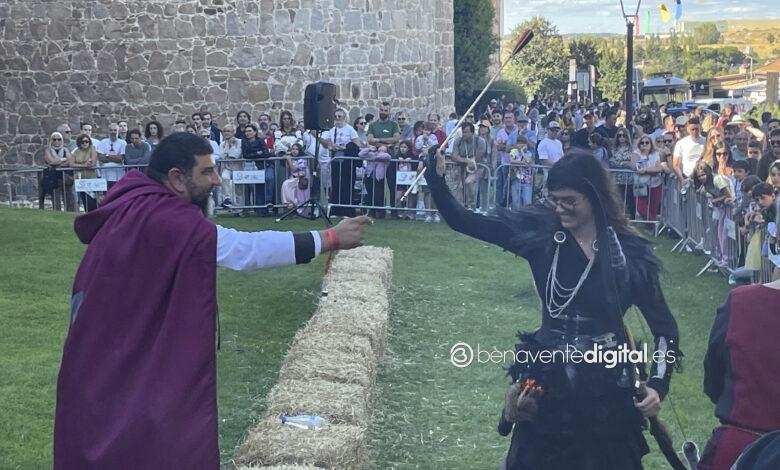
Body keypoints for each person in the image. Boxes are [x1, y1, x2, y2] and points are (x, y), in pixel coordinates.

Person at [53, 132, 369, 469]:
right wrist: (328, 237)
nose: (216, 180)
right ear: (176, 177)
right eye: (206, 172)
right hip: (120, 351)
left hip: (103, 348)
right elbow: (243, 250)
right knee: (143, 437)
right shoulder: (167, 218)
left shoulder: (135, 204)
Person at [425, 147, 679, 470]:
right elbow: (465, 221)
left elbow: (665, 330)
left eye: (570, 201)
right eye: (554, 200)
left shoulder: (629, 255)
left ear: (594, 196)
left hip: (607, 389)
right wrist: (436, 178)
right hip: (547, 383)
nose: (560, 209)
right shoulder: (540, 235)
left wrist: (658, 384)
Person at [699, 277, 780, 470]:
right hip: (743, 450)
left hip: (739, 445)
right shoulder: (741, 301)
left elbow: (713, 382)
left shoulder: (741, 301)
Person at [323, 109, 361, 217]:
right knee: (336, 185)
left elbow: (357, 144)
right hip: (336, 160)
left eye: (340, 116)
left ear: (344, 117)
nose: (338, 119)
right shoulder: (332, 130)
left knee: (347, 186)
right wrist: (332, 146)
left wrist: (345, 147)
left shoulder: (350, 130)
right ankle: (336, 210)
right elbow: (328, 142)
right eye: (336, 116)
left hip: (347, 162)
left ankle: (347, 211)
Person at [633, 135, 665, 221]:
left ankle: (651, 228)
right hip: (641, 184)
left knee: (653, 208)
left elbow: (659, 168)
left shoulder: (655, 154)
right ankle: (652, 223)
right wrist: (651, 170)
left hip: (655, 184)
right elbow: (637, 168)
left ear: (651, 144)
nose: (644, 144)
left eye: (647, 142)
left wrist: (646, 170)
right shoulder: (636, 153)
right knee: (641, 207)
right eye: (642, 143)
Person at [609, 127, 637, 218]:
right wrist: (624, 163)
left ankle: (633, 218)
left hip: (628, 179)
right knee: (618, 199)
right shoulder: (614, 149)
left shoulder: (632, 149)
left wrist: (621, 163)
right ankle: (618, 218)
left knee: (630, 199)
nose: (621, 138)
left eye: (623, 135)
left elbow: (632, 163)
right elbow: (611, 162)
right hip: (617, 178)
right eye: (619, 135)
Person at [67, 134, 99, 212]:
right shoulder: (76, 151)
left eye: (87, 141)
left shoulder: (92, 149)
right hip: (80, 179)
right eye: (82, 142)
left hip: (91, 178)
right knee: (85, 201)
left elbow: (92, 163)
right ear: (79, 142)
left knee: (92, 201)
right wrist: (84, 165)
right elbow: (71, 164)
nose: (85, 143)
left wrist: (79, 165)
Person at [40, 132, 70, 211]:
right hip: (52, 177)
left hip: (64, 176)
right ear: (51, 140)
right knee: (55, 196)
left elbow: (69, 161)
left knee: (68, 196)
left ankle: (70, 212)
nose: (57, 141)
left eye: (59, 139)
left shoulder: (65, 149)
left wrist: (57, 162)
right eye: (54, 139)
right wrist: (62, 159)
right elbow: (51, 161)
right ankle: (57, 211)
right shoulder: (48, 150)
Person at [96, 122, 127, 188]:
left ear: (118, 131)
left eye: (115, 130)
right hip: (105, 175)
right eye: (111, 130)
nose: (113, 132)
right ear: (108, 131)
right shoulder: (103, 142)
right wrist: (115, 157)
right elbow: (101, 158)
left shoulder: (123, 143)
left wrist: (107, 155)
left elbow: (120, 159)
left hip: (119, 175)